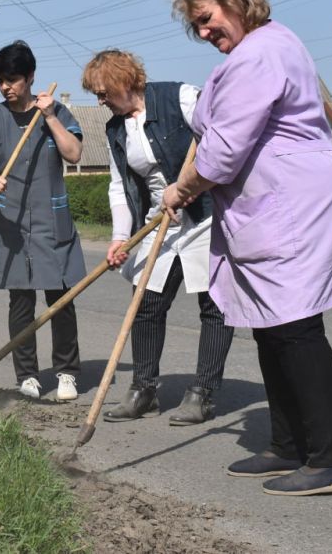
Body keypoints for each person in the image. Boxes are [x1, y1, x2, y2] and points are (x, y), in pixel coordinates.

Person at [162, 0, 332, 496]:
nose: (204, 33)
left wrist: (181, 192)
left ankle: (330, 458)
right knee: (274, 326)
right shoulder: (265, 45)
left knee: (296, 326)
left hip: (292, 204)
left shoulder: (258, 54)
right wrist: (184, 184)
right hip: (274, 204)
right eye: (197, 27)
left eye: (206, 19)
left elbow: (223, 155)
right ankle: (288, 446)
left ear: (235, 0)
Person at [80, 49, 235, 426]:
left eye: (103, 92)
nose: (100, 101)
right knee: (146, 303)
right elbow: (119, 187)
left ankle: (203, 393)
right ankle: (143, 390)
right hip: (158, 220)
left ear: (124, 81)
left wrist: (189, 186)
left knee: (213, 306)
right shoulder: (116, 128)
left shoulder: (180, 98)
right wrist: (120, 237)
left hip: (205, 215)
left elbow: (220, 135)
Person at [0, 40, 86, 401]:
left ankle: (67, 372)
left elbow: (74, 152)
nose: (6, 87)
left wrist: (49, 117)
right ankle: (28, 374)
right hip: (12, 223)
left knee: (61, 300)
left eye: (13, 79)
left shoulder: (56, 111)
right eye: (0, 80)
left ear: (30, 77)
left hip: (53, 222)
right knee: (20, 302)